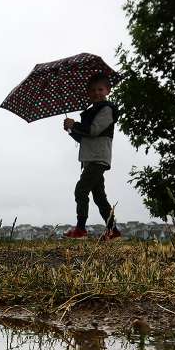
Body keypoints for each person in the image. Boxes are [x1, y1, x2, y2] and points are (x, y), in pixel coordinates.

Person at [63, 74, 121, 240]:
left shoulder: (106, 109)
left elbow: (94, 130)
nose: (96, 92)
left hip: (98, 158)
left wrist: (75, 125)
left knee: (81, 190)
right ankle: (113, 231)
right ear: (88, 93)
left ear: (108, 90)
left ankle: (81, 229)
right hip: (90, 159)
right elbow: (84, 138)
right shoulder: (91, 112)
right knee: (99, 197)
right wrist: (71, 130)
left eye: (100, 89)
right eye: (93, 90)